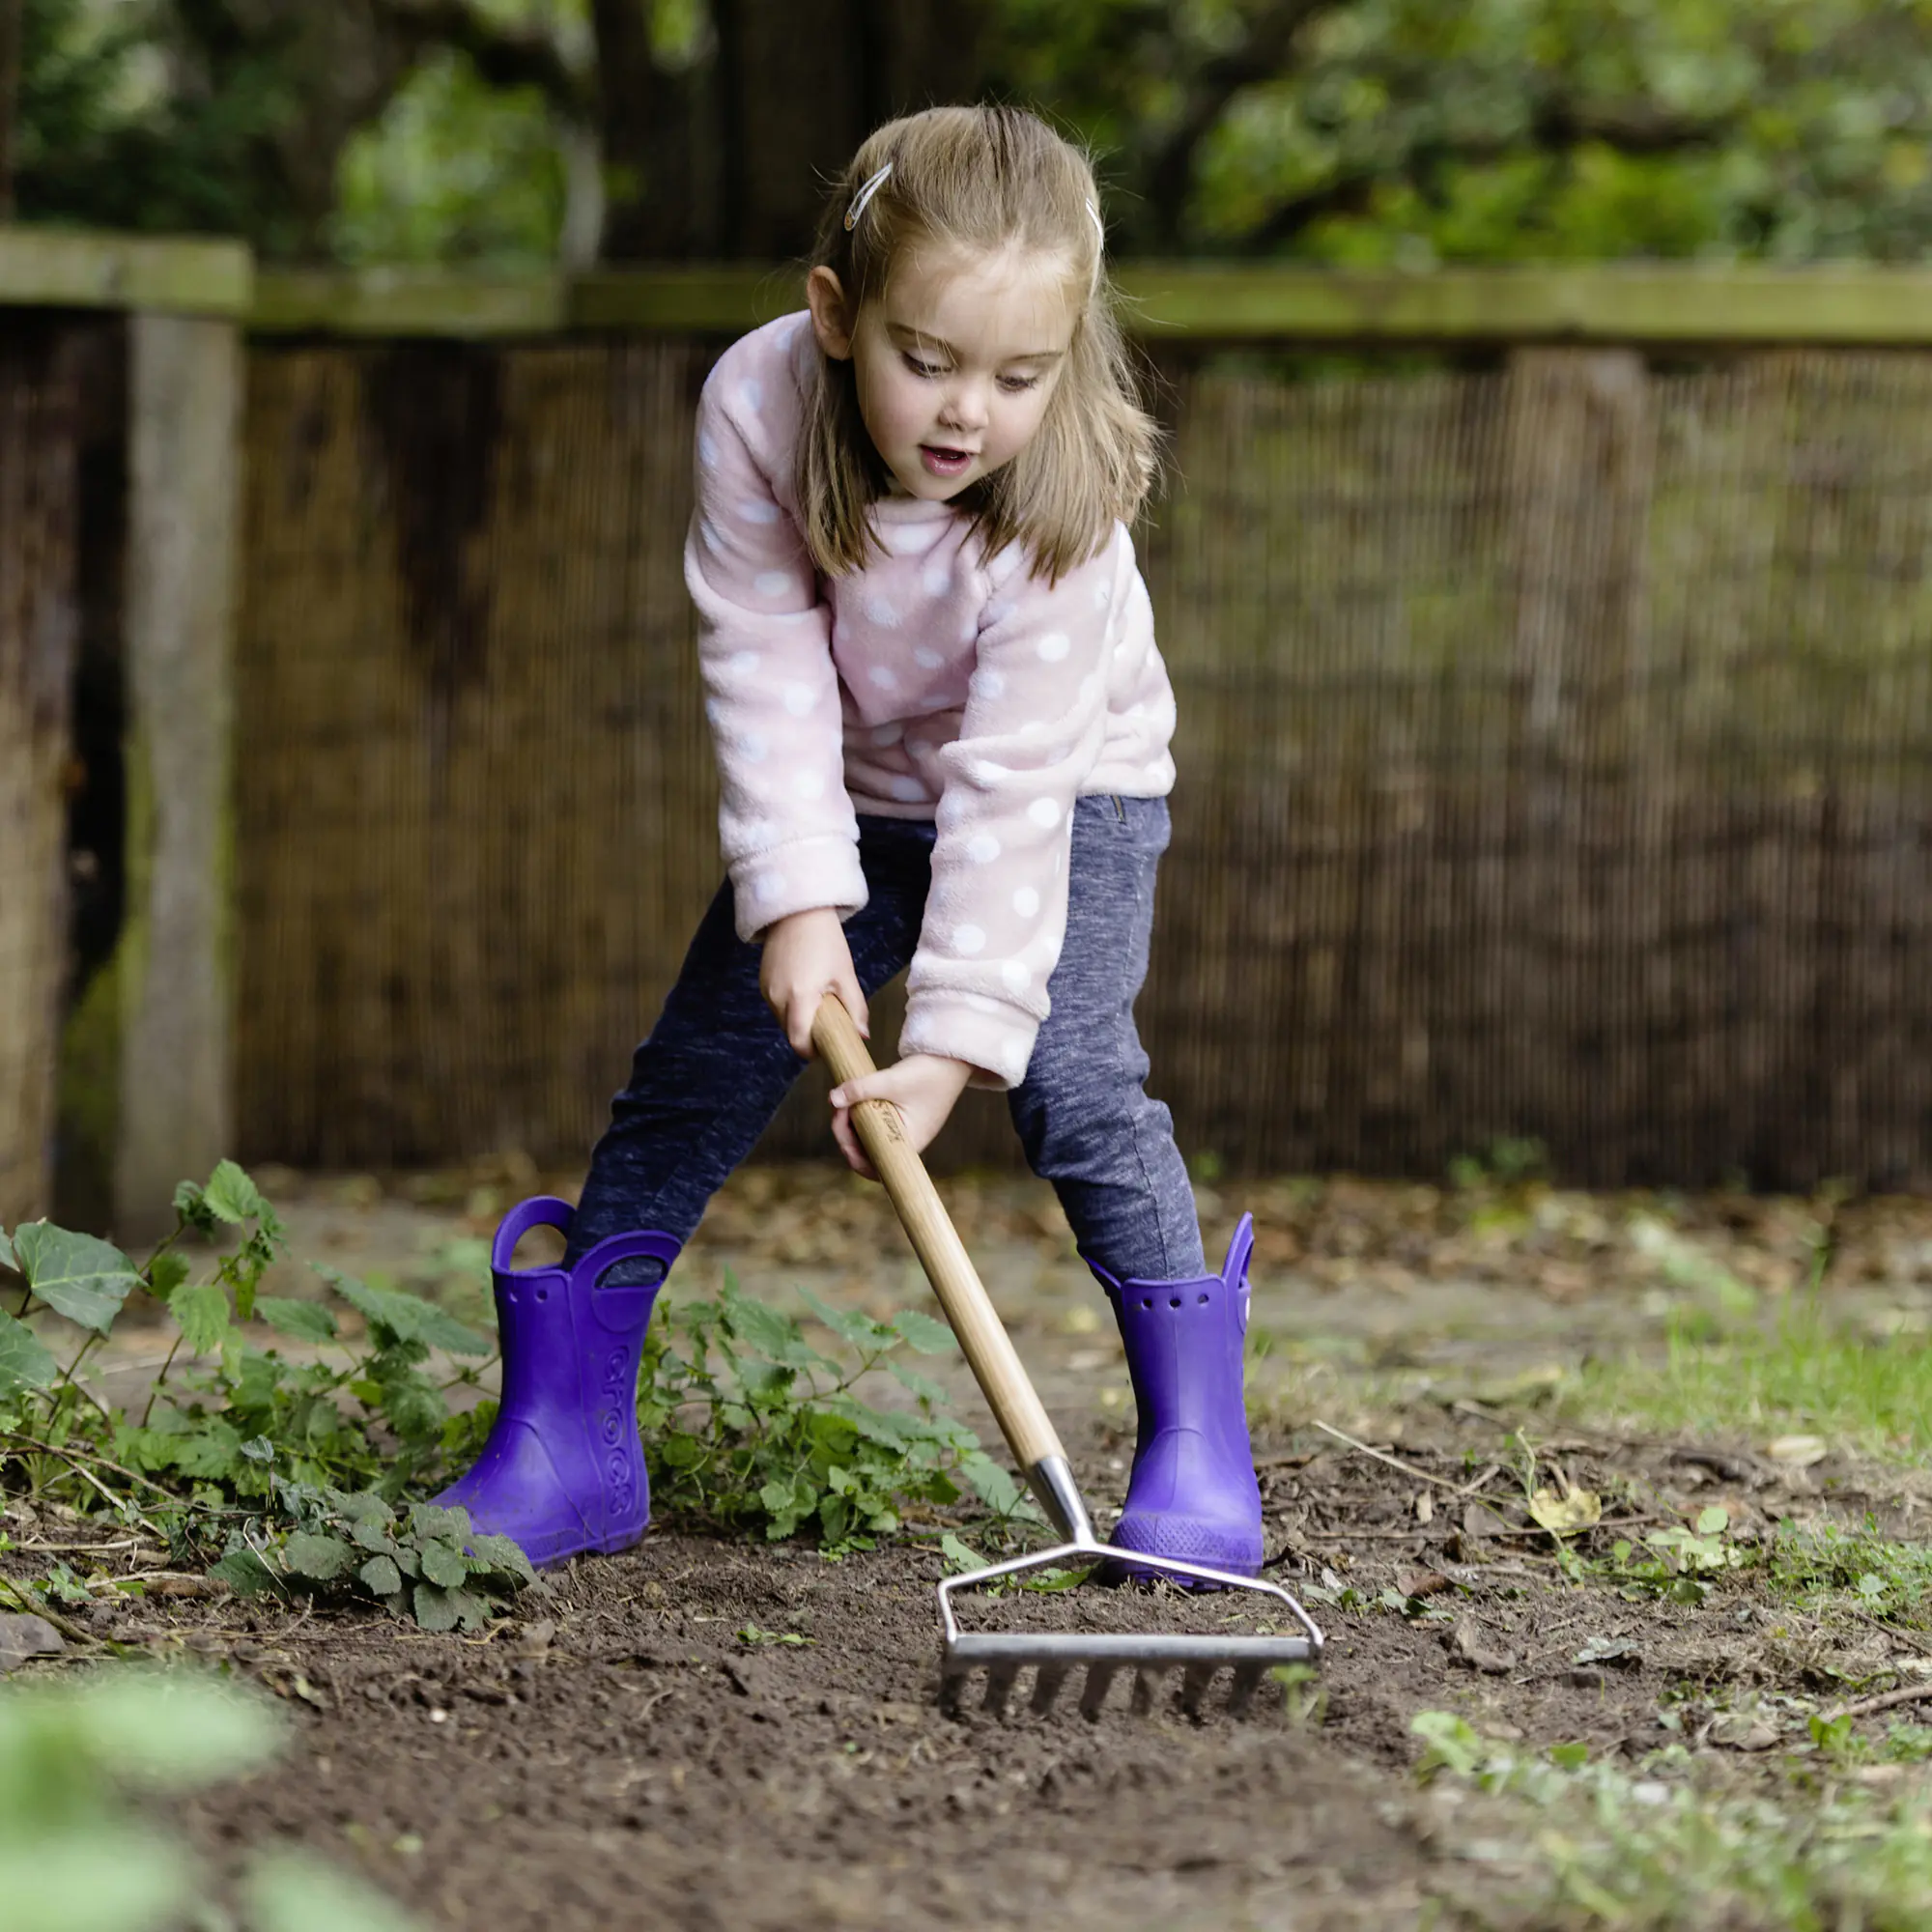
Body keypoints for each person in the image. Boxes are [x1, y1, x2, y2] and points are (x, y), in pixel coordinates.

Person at [436, 103, 1264, 1580]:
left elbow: (1013, 789)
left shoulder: (1072, 501)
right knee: (693, 1074)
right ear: (836, 313)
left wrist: (948, 1041)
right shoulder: (759, 403)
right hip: (848, 790)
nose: (968, 413)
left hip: (1068, 792)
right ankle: (567, 1445)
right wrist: (800, 901)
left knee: (1074, 1077)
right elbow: (760, 656)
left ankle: (1196, 1444)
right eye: (925, 361)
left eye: (1019, 376)